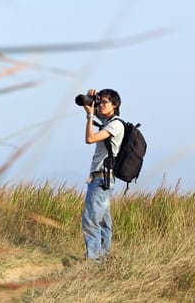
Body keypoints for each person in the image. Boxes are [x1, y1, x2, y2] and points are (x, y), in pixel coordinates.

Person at [81, 88, 124, 261]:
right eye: (101, 101)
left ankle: (93, 261)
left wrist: (90, 117)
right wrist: (90, 102)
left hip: (101, 179)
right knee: (104, 222)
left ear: (115, 105)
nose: (101, 105)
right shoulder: (110, 122)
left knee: (90, 220)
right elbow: (98, 117)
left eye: (105, 102)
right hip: (103, 179)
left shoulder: (115, 124)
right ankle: (103, 257)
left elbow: (90, 138)